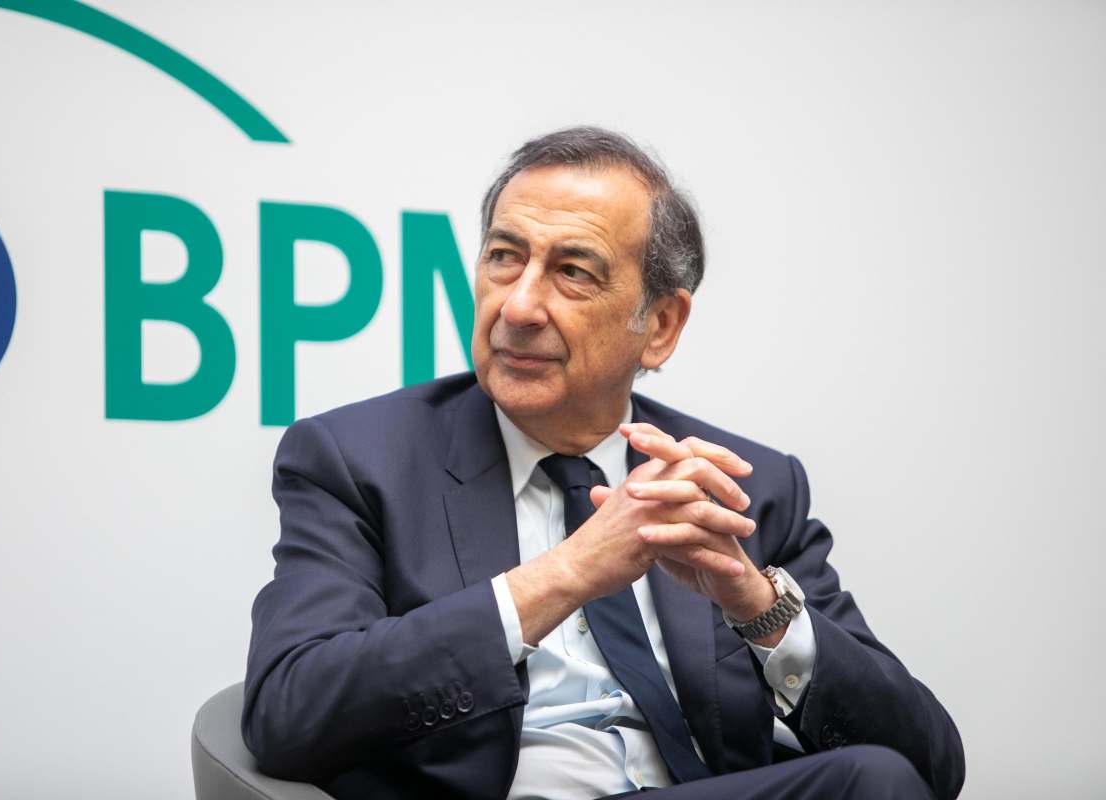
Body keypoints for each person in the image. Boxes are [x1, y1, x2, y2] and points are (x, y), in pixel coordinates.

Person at [242, 127, 965, 800]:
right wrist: (568, 573)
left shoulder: (739, 485)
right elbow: (287, 709)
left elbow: (930, 764)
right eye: (504, 257)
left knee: (875, 780)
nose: (519, 307)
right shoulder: (360, 461)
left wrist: (756, 605)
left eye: (573, 272)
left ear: (661, 325)